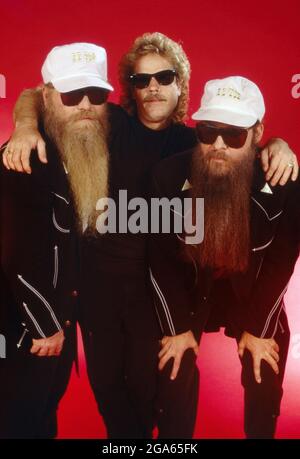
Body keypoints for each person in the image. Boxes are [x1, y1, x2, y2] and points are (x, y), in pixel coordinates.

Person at [1, 33, 298, 438]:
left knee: (163, 390)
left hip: (160, 291)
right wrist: (22, 125)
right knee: (107, 388)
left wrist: (279, 145)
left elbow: (246, 143)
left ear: (182, 85)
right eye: (142, 80)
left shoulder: (204, 140)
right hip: (97, 289)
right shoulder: (109, 122)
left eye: (164, 76)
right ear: (130, 88)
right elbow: (38, 95)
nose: (153, 87)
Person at [148, 75, 300, 438]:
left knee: (265, 367)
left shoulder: (283, 180)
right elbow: (159, 258)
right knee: (172, 366)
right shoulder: (167, 175)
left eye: (233, 135)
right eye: (207, 132)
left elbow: (283, 259)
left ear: (257, 132)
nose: (218, 145)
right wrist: (178, 328)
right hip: (188, 287)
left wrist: (259, 329)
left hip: (251, 291)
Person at [0, 40, 116, 437]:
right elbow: (13, 252)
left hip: (59, 330)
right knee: (18, 422)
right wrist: (43, 325)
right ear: (48, 96)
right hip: (24, 331)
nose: (85, 104)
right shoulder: (21, 157)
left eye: (95, 94)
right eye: (71, 93)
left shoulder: (97, 137)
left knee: (42, 420)